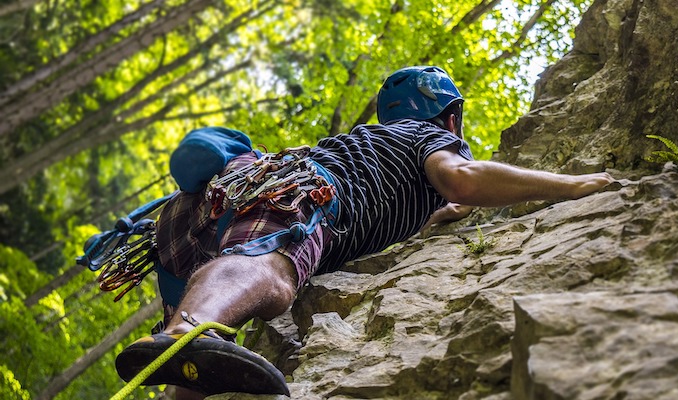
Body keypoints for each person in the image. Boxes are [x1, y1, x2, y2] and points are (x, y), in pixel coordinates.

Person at [115, 66, 614, 399]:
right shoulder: (428, 137)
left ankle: (182, 348)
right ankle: (184, 332)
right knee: (274, 270)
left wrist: (439, 216)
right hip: (300, 192)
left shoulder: (377, 150)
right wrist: (573, 184)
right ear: (450, 116)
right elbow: (461, 178)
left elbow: (419, 207)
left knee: (197, 358)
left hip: (190, 221)